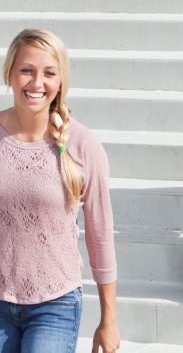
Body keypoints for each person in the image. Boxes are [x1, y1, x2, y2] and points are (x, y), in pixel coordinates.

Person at [0, 29, 119, 353]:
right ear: (9, 72)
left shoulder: (83, 144)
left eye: (49, 73)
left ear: (61, 81)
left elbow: (100, 235)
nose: (37, 83)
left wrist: (109, 319)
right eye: (26, 70)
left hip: (55, 305)